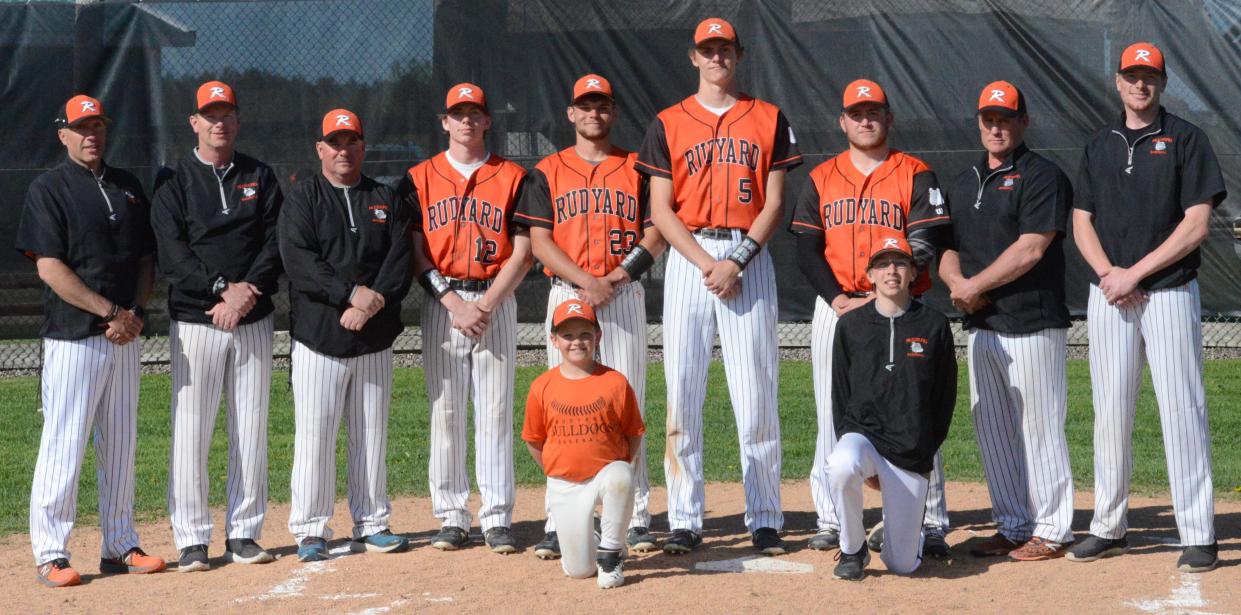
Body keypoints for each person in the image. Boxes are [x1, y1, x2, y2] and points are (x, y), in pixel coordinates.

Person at [635, 17, 802, 556]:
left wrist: (738, 259)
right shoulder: (667, 122)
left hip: (748, 256)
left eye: (724, 48)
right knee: (683, 393)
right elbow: (660, 209)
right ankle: (684, 518)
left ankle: (765, 516)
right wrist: (709, 262)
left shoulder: (769, 118)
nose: (716, 58)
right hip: (689, 259)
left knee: (756, 394)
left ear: (738, 54)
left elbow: (775, 203)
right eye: (707, 49)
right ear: (693, 57)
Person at [1069, 42, 1223, 572]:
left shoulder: (1186, 139)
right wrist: (1111, 275)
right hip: (1110, 293)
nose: (1140, 84)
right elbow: (1081, 221)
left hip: (1169, 291)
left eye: (1150, 76)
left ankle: (1198, 531)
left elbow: (1197, 223)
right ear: (1117, 81)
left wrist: (1135, 273)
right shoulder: (1099, 144)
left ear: (1163, 82)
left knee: (1182, 409)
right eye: (1132, 75)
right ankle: (1109, 527)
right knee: (1110, 411)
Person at [788, 79, 952, 557]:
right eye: (856, 113)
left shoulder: (915, 172)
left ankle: (933, 518)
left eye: (873, 111)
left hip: (902, 306)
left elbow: (924, 242)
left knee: (916, 406)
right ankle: (832, 517)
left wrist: (887, 289)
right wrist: (839, 300)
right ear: (842, 121)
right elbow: (806, 246)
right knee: (832, 407)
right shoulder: (821, 177)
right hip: (837, 305)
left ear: (889, 118)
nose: (865, 119)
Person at [514, 73, 665, 558]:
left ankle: (635, 514)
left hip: (622, 296)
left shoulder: (638, 168)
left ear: (613, 113)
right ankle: (562, 517)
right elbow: (540, 242)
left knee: (626, 404)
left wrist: (616, 278)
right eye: (585, 105)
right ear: (571, 113)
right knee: (563, 406)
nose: (594, 113)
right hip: (567, 294)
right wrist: (586, 281)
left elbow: (656, 232)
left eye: (602, 105)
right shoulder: (546, 171)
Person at [17, 94, 165, 587]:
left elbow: (146, 259)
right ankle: (51, 552)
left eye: (98, 125)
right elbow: (50, 267)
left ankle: (119, 544)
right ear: (62, 135)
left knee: (120, 445)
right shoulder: (49, 188)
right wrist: (112, 312)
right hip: (74, 337)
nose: (91, 134)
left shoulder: (128, 186)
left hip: (124, 339)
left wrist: (136, 314)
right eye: (81, 127)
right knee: (65, 444)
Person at [938, 80, 1075, 561]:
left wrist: (975, 287)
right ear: (979, 123)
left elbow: (1031, 248)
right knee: (992, 427)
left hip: (1033, 322)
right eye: (990, 119)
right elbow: (946, 247)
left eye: (1006, 119)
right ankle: (1013, 523)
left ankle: (1053, 527)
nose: (997, 127)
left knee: (1039, 427)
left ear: (1023, 122)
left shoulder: (1042, 175)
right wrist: (958, 284)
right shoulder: (964, 181)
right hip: (983, 324)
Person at [151, 80, 283, 571]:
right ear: (194, 122)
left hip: (251, 317)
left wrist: (246, 291)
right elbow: (172, 252)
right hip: (197, 320)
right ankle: (191, 538)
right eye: (210, 114)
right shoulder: (174, 178)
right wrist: (221, 289)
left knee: (250, 428)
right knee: (192, 430)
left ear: (237, 120)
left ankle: (245, 533)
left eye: (226, 113)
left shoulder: (259, 174)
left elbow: (276, 243)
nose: (219, 122)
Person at [401, 83, 532, 554]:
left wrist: (488, 303)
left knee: (495, 411)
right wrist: (454, 303)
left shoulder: (514, 176)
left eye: (475, 112)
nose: (466, 121)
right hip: (444, 304)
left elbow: (524, 249)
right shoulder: (419, 177)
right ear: (444, 121)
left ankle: (496, 516)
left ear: (487, 120)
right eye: (458, 113)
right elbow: (416, 251)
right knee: (447, 411)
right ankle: (452, 515)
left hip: (496, 299)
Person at [279, 108, 412, 562]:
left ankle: (372, 521)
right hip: (319, 337)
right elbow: (299, 260)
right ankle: (311, 528)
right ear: (320, 149)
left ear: (363, 147)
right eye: (334, 142)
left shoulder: (383, 196)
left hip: (373, 336)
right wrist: (350, 295)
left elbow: (399, 258)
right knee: (315, 435)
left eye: (351, 141)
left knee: (371, 433)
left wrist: (370, 302)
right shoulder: (304, 197)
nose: (343, 150)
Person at [827, 236, 957, 581]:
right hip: (864, 436)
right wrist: (852, 447)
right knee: (841, 465)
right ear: (869, 275)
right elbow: (840, 393)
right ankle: (853, 549)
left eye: (900, 263)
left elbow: (945, 398)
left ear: (913, 273)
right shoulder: (850, 325)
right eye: (883, 264)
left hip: (910, 449)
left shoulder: (934, 324)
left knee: (902, 565)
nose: (892, 271)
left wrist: (925, 451)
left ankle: (894, 533)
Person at [522, 299, 645, 589]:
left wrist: (620, 467)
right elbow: (534, 440)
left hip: (604, 472)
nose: (577, 341)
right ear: (554, 340)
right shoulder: (542, 386)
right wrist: (556, 468)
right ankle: (595, 537)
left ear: (598, 337)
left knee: (621, 477)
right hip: (565, 483)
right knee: (578, 571)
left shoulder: (614, 382)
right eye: (568, 335)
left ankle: (612, 553)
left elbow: (634, 432)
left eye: (585, 334)